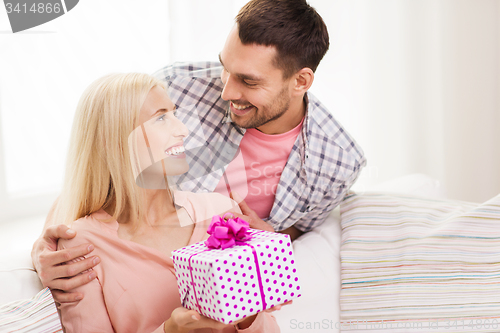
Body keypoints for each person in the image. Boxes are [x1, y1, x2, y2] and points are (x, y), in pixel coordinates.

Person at [31, 0, 366, 304]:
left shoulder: (337, 162)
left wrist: (269, 238)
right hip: (139, 277)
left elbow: (298, 232)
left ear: (300, 82)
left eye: (248, 81)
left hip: (223, 293)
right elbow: (102, 166)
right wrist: (44, 251)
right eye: (225, 67)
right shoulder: (175, 87)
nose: (226, 90)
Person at [54, 72, 283, 332]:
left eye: (175, 114)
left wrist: (247, 315)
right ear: (115, 140)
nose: (182, 130)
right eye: (161, 118)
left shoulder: (221, 213)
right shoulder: (82, 245)